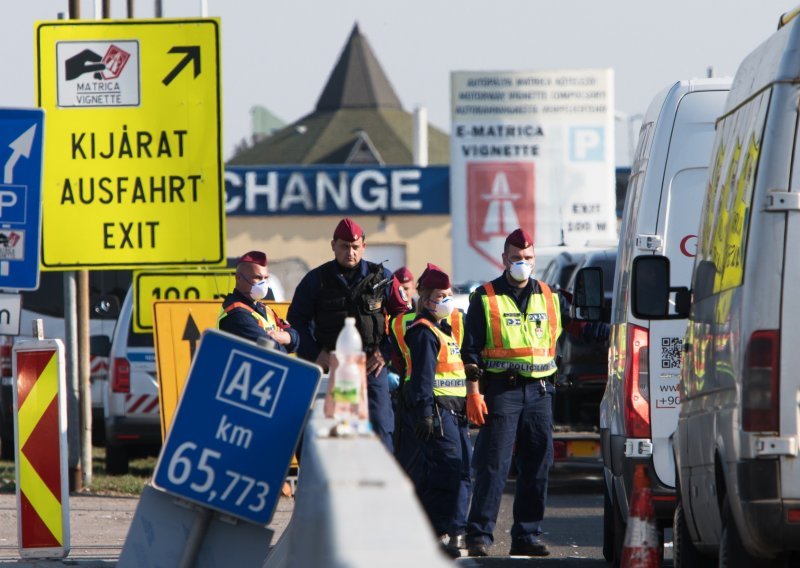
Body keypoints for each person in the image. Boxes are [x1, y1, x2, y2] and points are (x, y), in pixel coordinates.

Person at [461, 228, 563, 558]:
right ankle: (479, 534)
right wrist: (474, 392)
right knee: (494, 463)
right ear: (504, 259)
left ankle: (527, 534)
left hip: (540, 391)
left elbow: (554, 341)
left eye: (528, 258)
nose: (523, 263)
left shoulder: (549, 295)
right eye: (516, 258)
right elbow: (471, 351)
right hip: (502, 390)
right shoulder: (485, 297)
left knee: (538, 463)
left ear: (535, 259)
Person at [287, 218, 408, 450]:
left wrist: (386, 352)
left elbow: (404, 319)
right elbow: (297, 320)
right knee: (336, 431)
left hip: (372, 365)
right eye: (344, 246)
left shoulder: (382, 277)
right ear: (333, 245)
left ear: (363, 245)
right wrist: (316, 353)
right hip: (334, 367)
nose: (350, 252)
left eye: (355, 247)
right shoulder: (316, 280)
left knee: (381, 426)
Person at [402, 263, 471, 558]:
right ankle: (437, 530)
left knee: (462, 471)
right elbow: (423, 378)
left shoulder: (444, 329)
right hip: (439, 412)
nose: (447, 299)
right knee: (447, 472)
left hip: (454, 411)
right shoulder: (424, 332)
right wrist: (426, 412)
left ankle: (453, 529)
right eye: (440, 295)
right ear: (426, 300)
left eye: (448, 293)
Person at [218, 250, 298, 353]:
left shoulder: (264, 308)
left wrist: (285, 337)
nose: (263, 283)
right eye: (258, 278)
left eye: (265, 278)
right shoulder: (237, 314)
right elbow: (273, 351)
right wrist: (285, 341)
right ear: (238, 278)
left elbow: (296, 339)